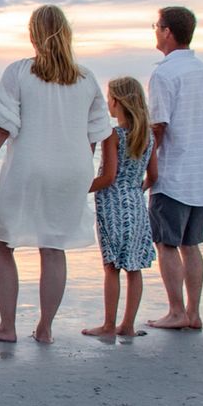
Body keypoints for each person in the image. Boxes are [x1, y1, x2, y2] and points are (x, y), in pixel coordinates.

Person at [0, 5, 111, 344]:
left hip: (30, 166)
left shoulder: (19, 72)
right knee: (53, 246)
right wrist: (78, 173)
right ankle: (45, 329)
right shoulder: (86, 78)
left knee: (0, 242)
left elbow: (2, 128)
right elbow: (94, 135)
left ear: (33, 35)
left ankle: (7, 326)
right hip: (73, 170)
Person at [145, 6, 203, 330]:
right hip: (202, 174)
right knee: (191, 245)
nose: (155, 31)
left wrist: (144, 169)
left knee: (166, 244)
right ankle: (193, 313)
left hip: (174, 174)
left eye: (156, 26)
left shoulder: (165, 73)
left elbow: (158, 127)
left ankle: (176, 311)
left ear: (167, 31)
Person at [81, 77, 158, 338]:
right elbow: (154, 176)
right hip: (136, 203)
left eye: (109, 98)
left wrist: (79, 189)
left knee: (111, 266)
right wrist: (136, 191)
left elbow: (108, 177)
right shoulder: (148, 136)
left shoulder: (113, 135)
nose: (107, 103)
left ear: (117, 102)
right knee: (133, 267)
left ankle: (108, 325)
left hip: (112, 205)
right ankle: (128, 325)